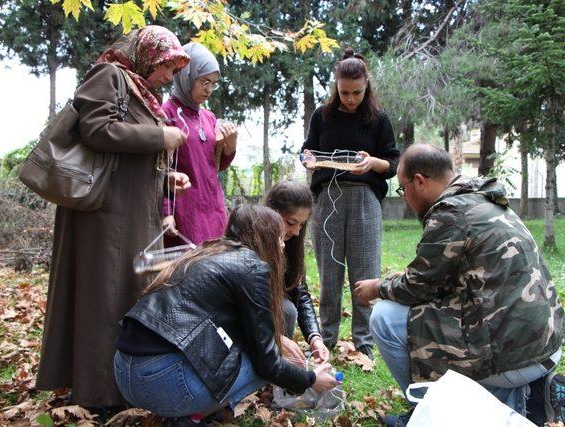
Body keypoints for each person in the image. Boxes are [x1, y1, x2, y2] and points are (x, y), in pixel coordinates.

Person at [354, 144, 565, 426]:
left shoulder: (450, 213)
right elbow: (441, 281)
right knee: (428, 315)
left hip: (514, 358)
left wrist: (376, 287)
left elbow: (416, 286)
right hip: (544, 346)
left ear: (419, 181)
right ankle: (529, 395)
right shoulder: (485, 198)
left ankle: (429, 410)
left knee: (385, 317)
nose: (405, 197)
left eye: (402, 189)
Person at [36, 26, 190, 412]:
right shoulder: (110, 76)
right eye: (167, 68)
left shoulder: (139, 89)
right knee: (102, 301)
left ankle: (119, 384)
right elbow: (97, 130)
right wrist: (162, 138)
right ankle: (98, 392)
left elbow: (124, 155)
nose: (169, 78)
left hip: (131, 213)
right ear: (148, 56)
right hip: (104, 217)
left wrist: (165, 176)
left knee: (122, 298)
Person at [113, 205, 340, 423]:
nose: (282, 247)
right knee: (264, 362)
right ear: (265, 238)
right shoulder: (253, 267)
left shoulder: (207, 251)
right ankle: (194, 415)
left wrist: (276, 341)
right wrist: (310, 380)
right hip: (163, 382)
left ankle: (192, 411)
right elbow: (267, 364)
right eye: (279, 238)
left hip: (123, 372)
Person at [300, 48, 400, 359]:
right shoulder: (322, 115)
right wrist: (308, 159)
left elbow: (394, 163)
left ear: (367, 86)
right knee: (329, 274)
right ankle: (326, 340)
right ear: (336, 87)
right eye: (344, 92)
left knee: (364, 272)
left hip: (364, 199)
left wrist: (373, 163)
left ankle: (364, 344)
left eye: (357, 92)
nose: (351, 99)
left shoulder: (378, 119)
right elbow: (307, 150)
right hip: (327, 198)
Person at [162, 42, 238, 247]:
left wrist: (230, 148)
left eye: (213, 83)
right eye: (204, 81)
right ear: (186, 75)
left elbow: (214, 165)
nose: (209, 89)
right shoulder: (166, 114)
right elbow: (160, 170)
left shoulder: (209, 117)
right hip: (185, 213)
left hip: (213, 209)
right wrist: (166, 212)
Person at [264, 180, 330, 365]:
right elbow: (245, 307)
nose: (295, 232)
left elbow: (300, 293)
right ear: (271, 213)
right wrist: (275, 336)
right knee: (285, 310)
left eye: (301, 225)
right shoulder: (250, 246)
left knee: (287, 309)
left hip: (272, 315)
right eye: (290, 223)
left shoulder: (292, 244)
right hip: (247, 321)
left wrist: (314, 337)